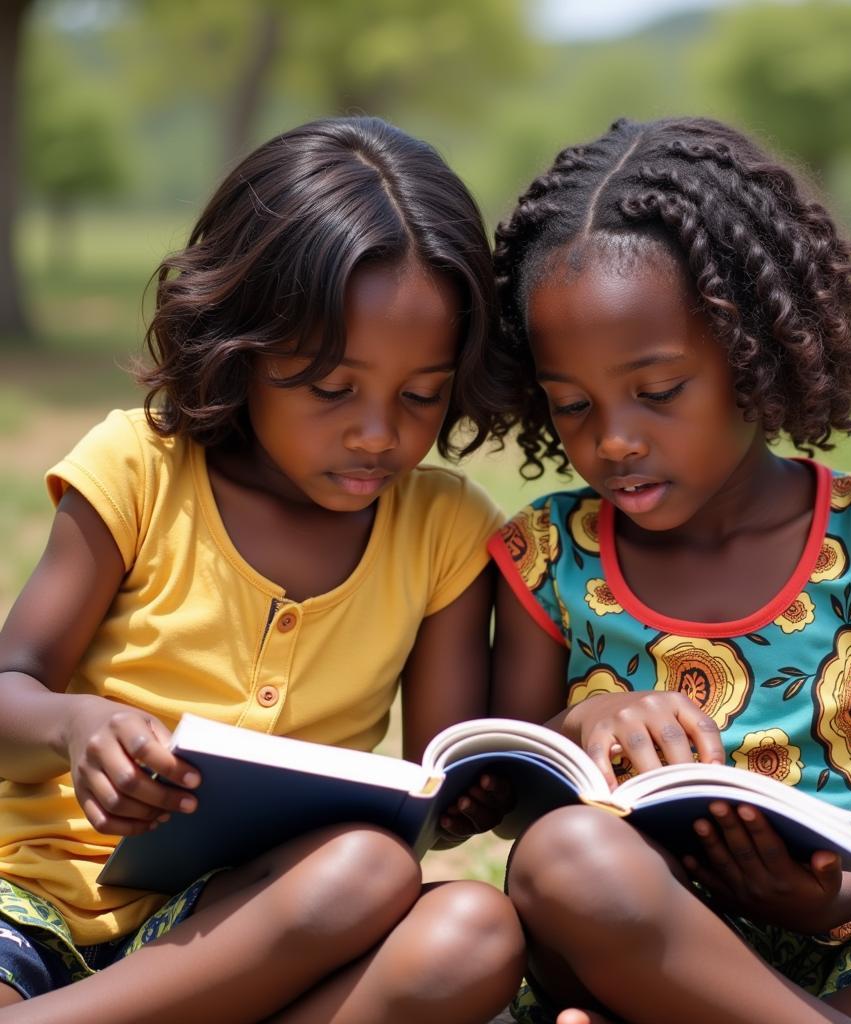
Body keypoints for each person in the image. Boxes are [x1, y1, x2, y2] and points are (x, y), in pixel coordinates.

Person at [486, 115, 851, 1024]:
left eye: (658, 394)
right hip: (646, 943)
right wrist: (582, 719)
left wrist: (838, 897)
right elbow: (507, 786)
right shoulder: (552, 555)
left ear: (755, 352)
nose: (614, 439)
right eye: (571, 405)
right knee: (557, 859)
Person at [0, 116, 523, 1024]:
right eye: (331, 389)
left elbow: (442, 787)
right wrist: (76, 726)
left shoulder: (443, 528)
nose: (378, 432)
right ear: (243, 346)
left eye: (421, 396)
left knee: (454, 920)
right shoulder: (139, 470)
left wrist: (510, 768)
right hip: (30, 909)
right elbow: (9, 690)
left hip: (242, 932)